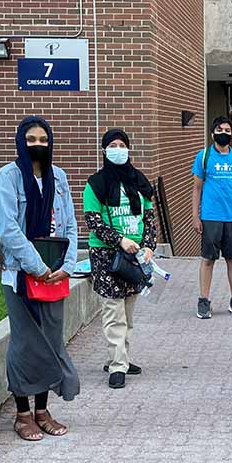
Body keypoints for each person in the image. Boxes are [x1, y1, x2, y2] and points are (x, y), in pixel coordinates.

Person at [0, 116, 80, 441]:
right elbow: (7, 228)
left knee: (50, 341)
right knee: (25, 343)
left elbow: (70, 225)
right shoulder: (9, 176)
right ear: (20, 141)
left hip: (55, 275)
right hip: (22, 275)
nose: (38, 144)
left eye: (43, 138)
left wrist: (66, 265)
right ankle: (22, 413)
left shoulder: (59, 177)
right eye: (31, 139)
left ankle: (42, 410)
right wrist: (36, 264)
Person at [83, 129, 157, 390]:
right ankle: (116, 366)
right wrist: (119, 240)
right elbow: (93, 220)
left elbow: (149, 216)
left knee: (128, 311)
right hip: (107, 255)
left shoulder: (138, 181)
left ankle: (121, 357)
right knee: (113, 311)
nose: (118, 149)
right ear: (104, 151)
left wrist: (149, 246)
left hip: (135, 255)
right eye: (112, 145)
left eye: (122, 144)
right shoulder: (95, 183)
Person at [191, 116, 232, 319]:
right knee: (208, 260)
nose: (224, 133)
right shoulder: (204, 156)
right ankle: (204, 302)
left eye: (227, 130)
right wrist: (195, 216)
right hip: (210, 217)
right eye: (220, 129)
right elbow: (197, 188)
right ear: (212, 133)